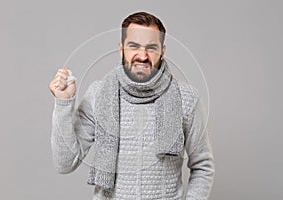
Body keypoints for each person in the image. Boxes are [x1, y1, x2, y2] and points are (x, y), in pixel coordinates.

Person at [49, 11, 215, 200]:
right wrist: (64, 103)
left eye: (151, 47)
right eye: (133, 46)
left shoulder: (187, 99)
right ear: (121, 49)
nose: (142, 56)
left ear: (163, 51)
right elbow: (64, 163)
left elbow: (203, 166)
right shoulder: (98, 94)